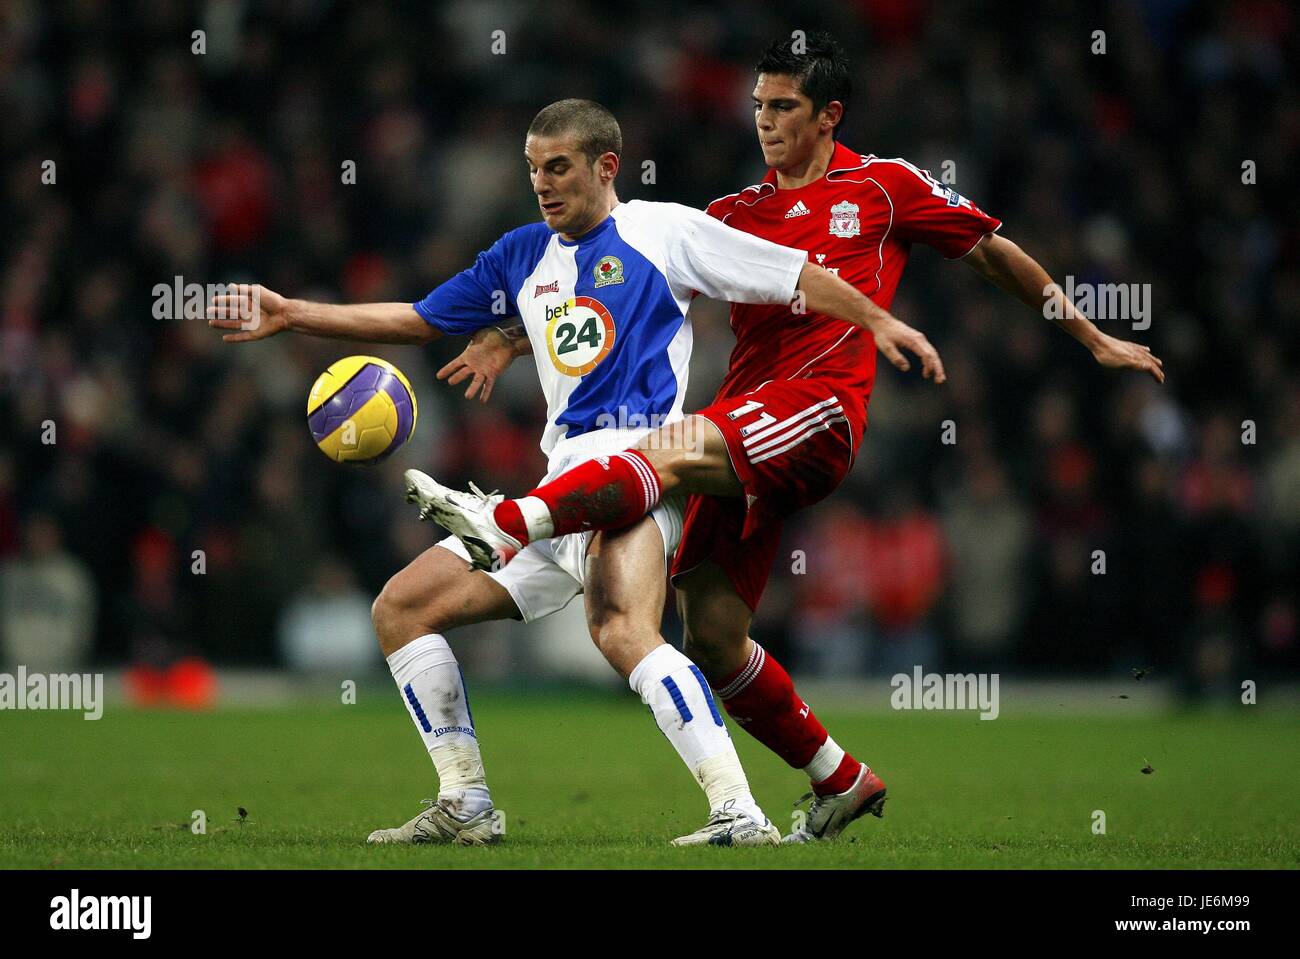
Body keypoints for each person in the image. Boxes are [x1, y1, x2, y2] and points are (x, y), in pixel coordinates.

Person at [423, 35, 1165, 843]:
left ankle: (506, 524)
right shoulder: (733, 214)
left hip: (818, 409)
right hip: (738, 431)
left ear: (828, 115)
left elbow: (992, 253)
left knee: (657, 451)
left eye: (783, 108)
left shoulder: (884, 186)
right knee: (709, 631)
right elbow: (620, 294)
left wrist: (1090, 335)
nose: (766, 124)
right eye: (758, 108)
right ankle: (840, 779)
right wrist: (507, 336)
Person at [210, 98, 929, 847]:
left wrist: (876, 319)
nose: (543, 184)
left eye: (558, 167)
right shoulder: (521, 254)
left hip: (634, 475)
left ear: (605, 166)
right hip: (559, 479)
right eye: (532, 170)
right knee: (401, 607)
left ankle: (737, 811)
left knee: (623, 630)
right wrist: (292, 313)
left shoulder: (666, 232)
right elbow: (421, 320)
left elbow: (792, 274)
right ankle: (466, 800)